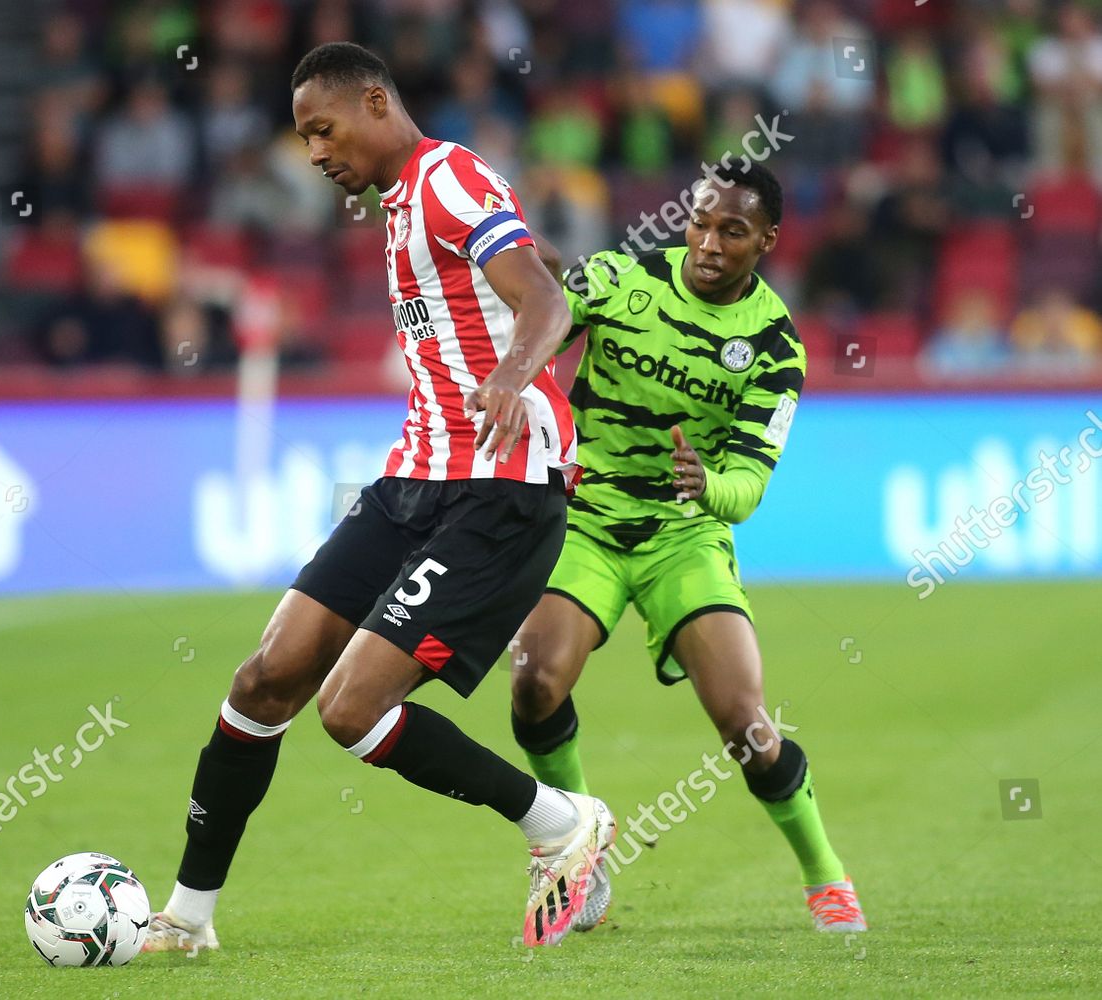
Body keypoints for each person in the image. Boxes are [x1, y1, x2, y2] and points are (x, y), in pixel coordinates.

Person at [143, 42, 614, 954]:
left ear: (373, 101)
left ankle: (559, 821)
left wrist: (520, 373)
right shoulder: (400, 204)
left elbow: (544, 300)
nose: (314, 152)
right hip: (412, 477)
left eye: (322, 129)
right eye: (303, 138)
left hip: (498, 485)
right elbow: (543, 266)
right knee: (265, 678)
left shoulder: (447, 177)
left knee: (350, 710)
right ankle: (188, 917)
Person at [509, 161, 867, 934]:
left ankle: (825, 874)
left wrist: (707, 485)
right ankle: (580, 855)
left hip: (685, 533)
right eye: (701, 223)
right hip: (588, 517)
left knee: (744, 723)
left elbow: (749, 483)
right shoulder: (619, 276)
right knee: (535, 682)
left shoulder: (774, 347)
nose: (708, 243)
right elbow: (539, 326)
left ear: (766, 240)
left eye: (731, 231)